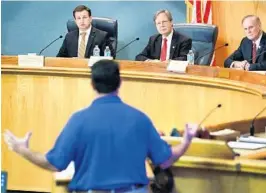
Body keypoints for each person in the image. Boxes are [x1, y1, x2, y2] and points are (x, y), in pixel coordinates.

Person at [4, 60, 198, 193]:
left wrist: (23, 151)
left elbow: (55, 163)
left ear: (92, 84)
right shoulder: (140, 119)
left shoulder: (78, 121)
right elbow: (165, 161)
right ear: (120, 82)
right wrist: (186, 141)